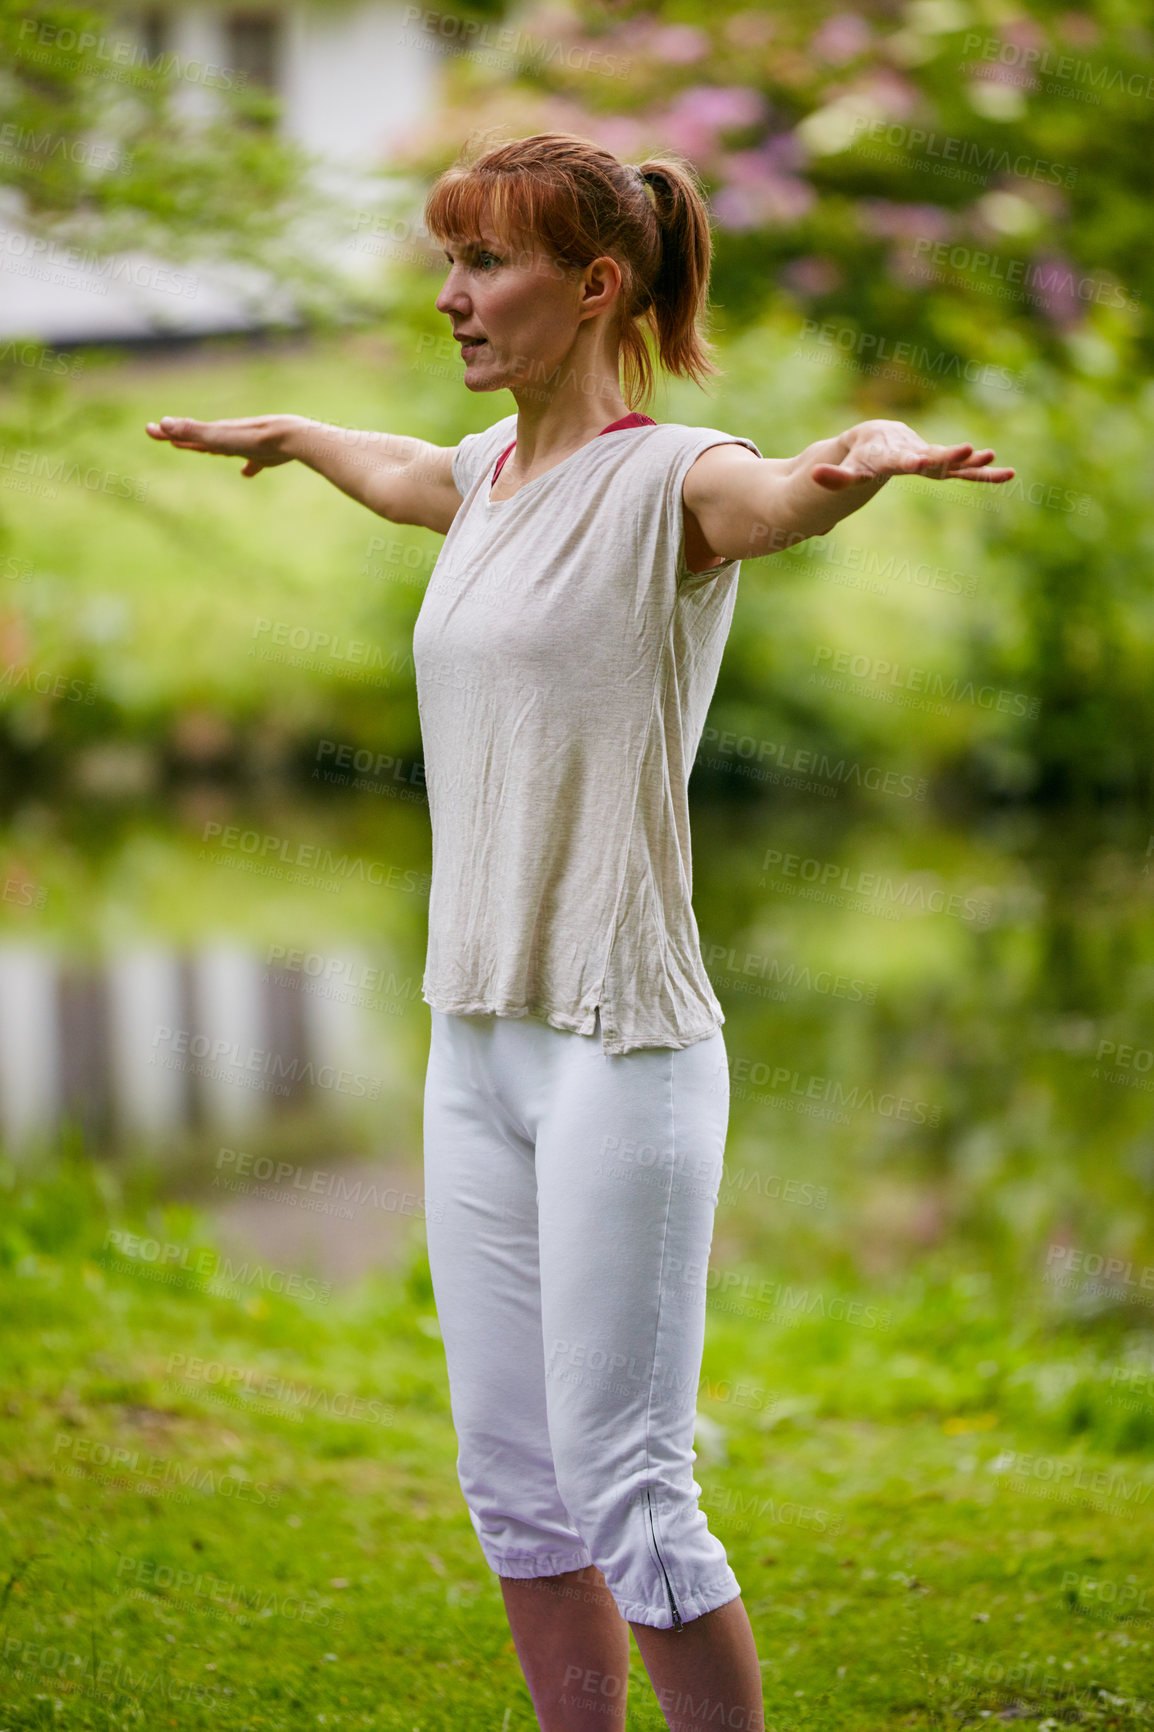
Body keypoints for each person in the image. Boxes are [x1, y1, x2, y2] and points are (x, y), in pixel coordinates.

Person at [145, 130, 1013, 1732]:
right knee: (515, 1487)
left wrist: (857, 460)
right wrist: (292, 430)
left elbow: (767, 502)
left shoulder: (668, 480)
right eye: (446, 260)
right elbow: (401, 464)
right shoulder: (482, 482)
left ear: (595, 284)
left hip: (623, 1048)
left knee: (630, 1489)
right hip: (474, 1041)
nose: (449, 297)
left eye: (483, 266)